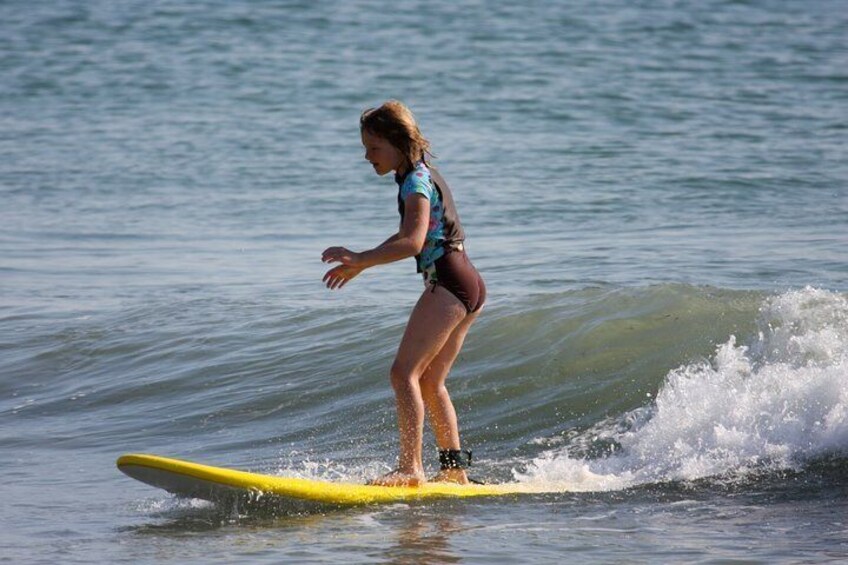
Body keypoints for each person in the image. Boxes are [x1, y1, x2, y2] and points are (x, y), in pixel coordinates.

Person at [321, 100, 486, 487]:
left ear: (398, 142)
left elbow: (412, 243)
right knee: (430, 382)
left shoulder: (415, 181)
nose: (367, 157)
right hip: (467, 281)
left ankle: (410, 468)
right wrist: (362, 263)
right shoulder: (418, 175)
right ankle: (453, 470)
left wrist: (361, 257)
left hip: (448, 280)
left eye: (373, 147)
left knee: (403, 374)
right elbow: (409, 235)